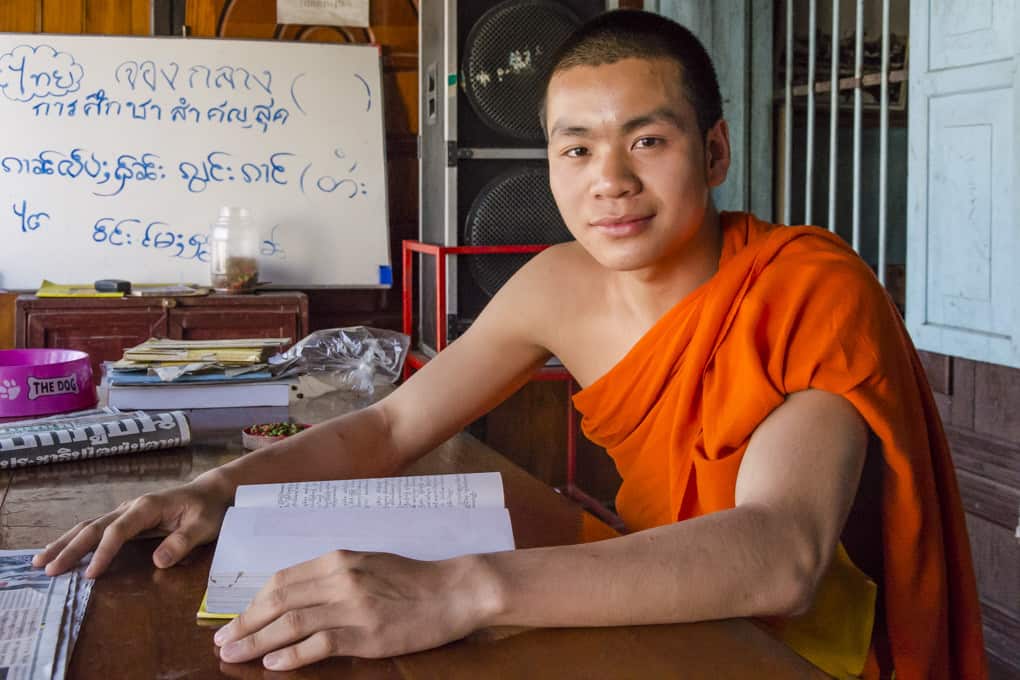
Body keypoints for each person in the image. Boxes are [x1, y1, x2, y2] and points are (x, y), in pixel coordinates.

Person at [33, 10, 985, 679]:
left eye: (647, 141)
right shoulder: (559, 284)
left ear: (715, 152)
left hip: (791, 647)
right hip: (655, 609)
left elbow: (781, 551)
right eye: (575, 150)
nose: (608, 180)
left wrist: (463, 590)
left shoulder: (808, 287)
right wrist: (214, 490)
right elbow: (392, 425)